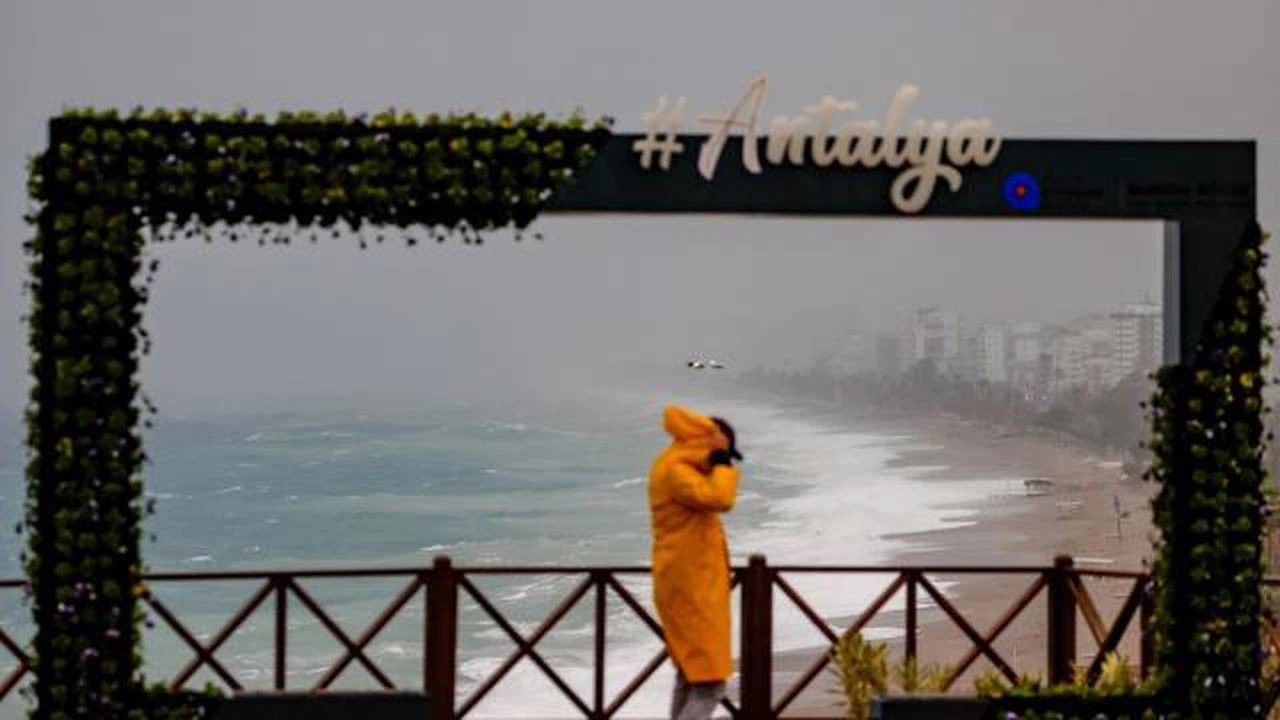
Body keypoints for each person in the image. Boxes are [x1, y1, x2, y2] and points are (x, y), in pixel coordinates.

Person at [648, 405, 742, 720]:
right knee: (710, 682)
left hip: (690, 583)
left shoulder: (674, 465)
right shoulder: (677, 471)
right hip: (691, 586)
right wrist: (722, 462)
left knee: (690, 675)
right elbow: (720, 498)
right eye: (718, 452)